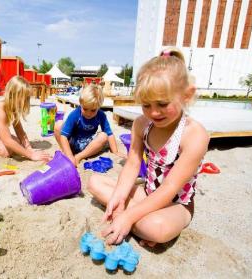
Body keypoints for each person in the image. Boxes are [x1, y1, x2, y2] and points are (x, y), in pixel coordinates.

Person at [87, 47, 209, 247]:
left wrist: (127, 216)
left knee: (156, 229)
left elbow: (170, 188)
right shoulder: (142, 124)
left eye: (162, 104)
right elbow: (133, 164)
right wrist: (119, 197)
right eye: (146, 105)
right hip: (149, 192)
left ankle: (132, 219)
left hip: (177, 204)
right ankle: (133, 217)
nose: (154, 112)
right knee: (94, 182)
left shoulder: (194, 135)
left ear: (186, 95)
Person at [54, 84, 126, 167]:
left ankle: (79, 156)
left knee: (103, 136)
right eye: (85, 109)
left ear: (99, 107)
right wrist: (70, 156)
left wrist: (115, 151)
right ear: (80, 103)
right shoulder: (75, 114)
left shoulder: (101, 115)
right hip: (73, 143)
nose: (88, 113)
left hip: (88, 145)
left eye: (93, 110)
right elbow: (64, 136)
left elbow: (109, 134)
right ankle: (66, 152)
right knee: (58, 125)